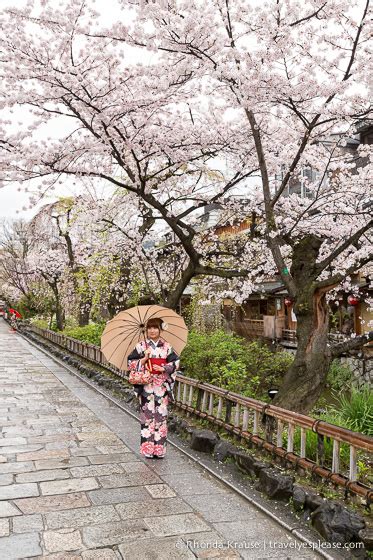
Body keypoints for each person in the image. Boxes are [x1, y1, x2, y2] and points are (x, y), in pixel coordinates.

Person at [127, 317, 179, 459]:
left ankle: (159, 450)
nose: (152, 330)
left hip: (161, 386)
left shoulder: (167, 346)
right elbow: (130, 362)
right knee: (147, 417)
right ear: (146, 330)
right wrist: (143, 359)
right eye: (149, 328)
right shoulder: (141, 346)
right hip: (146, 386)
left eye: (155, 328)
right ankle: (148, 449)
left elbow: (176, 363)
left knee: (161, 417)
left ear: (160, 329)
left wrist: (163, 367)